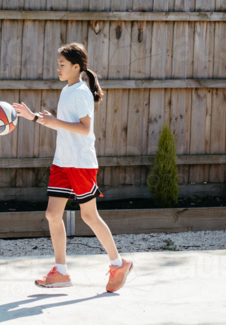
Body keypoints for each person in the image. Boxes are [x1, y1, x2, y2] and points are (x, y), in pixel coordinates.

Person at [12, 42, 133, 292]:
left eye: (62, 65)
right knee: (52, 214)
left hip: (80, 163)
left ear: (76, 67)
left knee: (89, 216)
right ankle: (61, 272)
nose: (58, 68)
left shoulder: (81, 92)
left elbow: (84, 128)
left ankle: (119, 263)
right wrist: (34, 117)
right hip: (62, 162)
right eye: (58, 64)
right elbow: (62, 125)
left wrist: (55, 120)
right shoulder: (66, 90)